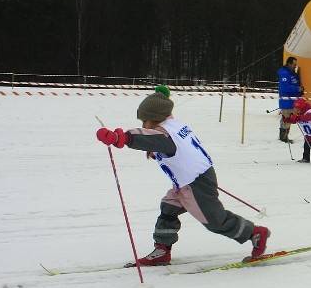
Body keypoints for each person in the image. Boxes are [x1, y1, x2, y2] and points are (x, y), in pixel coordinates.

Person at [95, 85, 270, 265]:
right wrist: (155, 150)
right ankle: (162, 251)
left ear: (155, 119)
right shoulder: (174, 124)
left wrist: (120, 138)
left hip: (195, 183)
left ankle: (255, 233)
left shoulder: (163, 136)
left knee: (215, 221)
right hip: (192, 179)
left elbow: (147, 137)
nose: (143, 125)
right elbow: (168, 144)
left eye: (145, 121)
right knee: (168, 208)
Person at [278, 56, 303, 143]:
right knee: (286, 119)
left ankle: (285, 136)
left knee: (289, 119)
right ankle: (283, 137)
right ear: (289, 64)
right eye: (294, 64)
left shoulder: (292, 73)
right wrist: (296, 89)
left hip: (292, 101)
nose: (295, 66)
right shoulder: (285, 73)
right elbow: (284, 87)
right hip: (286, 101)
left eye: (296, 64)